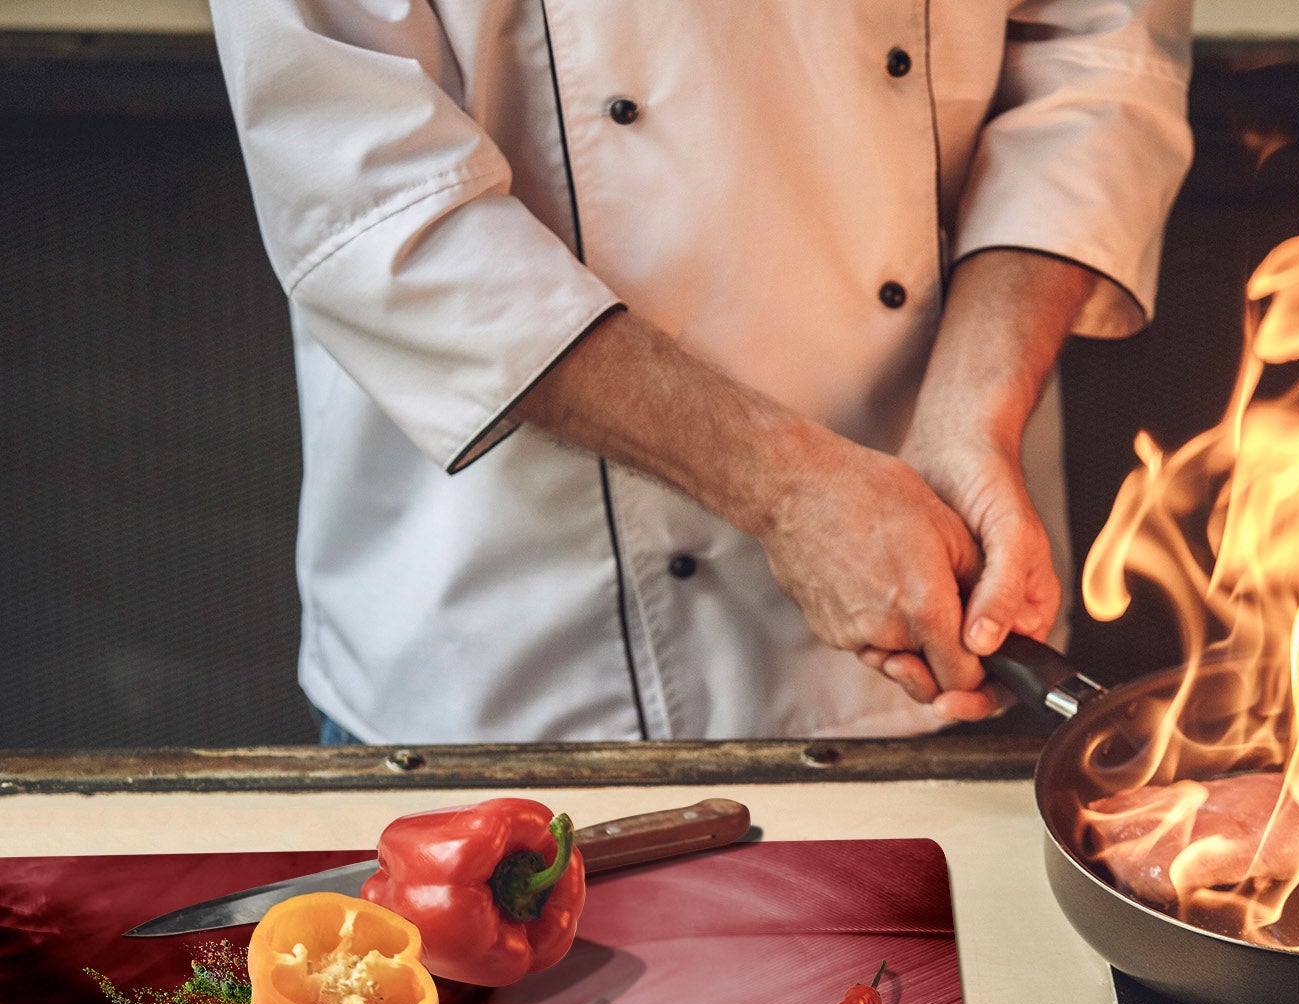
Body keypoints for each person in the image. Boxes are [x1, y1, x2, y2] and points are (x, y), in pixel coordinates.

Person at [210, 1, 1193, 742]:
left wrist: (973, 416)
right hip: (523, 645)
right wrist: (784, 489)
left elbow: (1097, 60)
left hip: (949, 574)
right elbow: (372, 197)